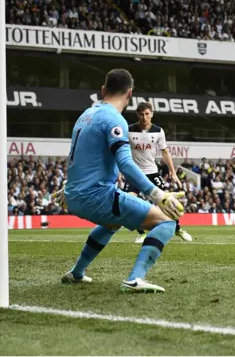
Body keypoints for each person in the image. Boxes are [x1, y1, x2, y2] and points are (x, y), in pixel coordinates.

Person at [53, 69, 184, 292]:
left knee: (112, 222)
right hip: (96, 196)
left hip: (74, 196)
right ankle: (135, 279)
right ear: (130, 94)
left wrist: (68, 186)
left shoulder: (85, 115)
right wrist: (158, 195)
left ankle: (76, 273)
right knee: (167, 221)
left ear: (103, 90)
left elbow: (80, 156)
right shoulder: (115, 119)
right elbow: (125, 164)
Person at [124, 101, 193, 244]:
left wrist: (173, 173)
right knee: (129, 203)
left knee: (169, 202)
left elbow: (165, 152)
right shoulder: (128, 130)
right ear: (137, 114)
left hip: (152, 172)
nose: (144, 117)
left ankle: (178, 229)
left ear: (152, 114)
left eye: (147, 114)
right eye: (141, 114)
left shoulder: (158, 131)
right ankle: (141, 233)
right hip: (134, 173)